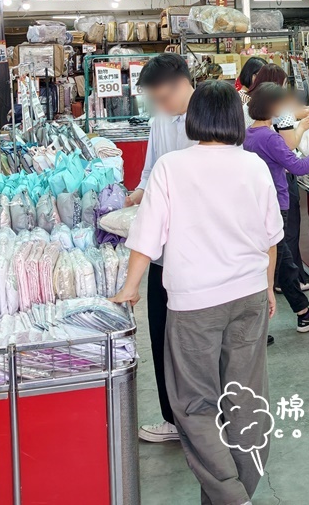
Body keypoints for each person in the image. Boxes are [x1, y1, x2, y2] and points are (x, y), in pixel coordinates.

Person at [112, 80, 283, 505]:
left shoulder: (173, 167)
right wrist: (267, 288)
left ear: (194, 119)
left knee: (194, 406)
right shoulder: (254, 166)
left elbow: (146, 236)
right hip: (248, 297)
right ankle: (237, 489)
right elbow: (271, 238)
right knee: (245, 399)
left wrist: (130, 289)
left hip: (194, 304)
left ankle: (230, 496)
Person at [123, 53, 196, 444]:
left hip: (197, 251)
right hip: (163, 251)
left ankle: (203, 420)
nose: (161, 105)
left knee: (195, 341)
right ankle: (172, 418)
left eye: (163, 96)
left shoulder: (210, 116)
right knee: (161, 333)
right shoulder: (159, 120)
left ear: (183, 82)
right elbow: (151, 168)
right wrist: (136, 194)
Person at [244, 82, 309, 332]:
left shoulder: (250, 134)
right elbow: (298, 167)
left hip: (260, 204)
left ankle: (304, 312)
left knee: (283, 264)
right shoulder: (270, 138)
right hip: (276, 205)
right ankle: (298, 315)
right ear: (272, 107)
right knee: (282, 261)